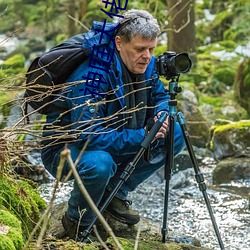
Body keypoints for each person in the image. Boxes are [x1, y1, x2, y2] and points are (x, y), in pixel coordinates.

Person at [41, 9, 185, 241]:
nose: (147, 56)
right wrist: (142, 135)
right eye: (140, 49)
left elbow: (159, 96)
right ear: (119, 42)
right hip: (67, 150)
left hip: (117, 136)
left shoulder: (146, 64)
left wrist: (161, 114)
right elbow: (87, 135)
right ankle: (76, 221)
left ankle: (115, 193)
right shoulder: (90, 76)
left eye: (151, 49)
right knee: (100, 164)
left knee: (175, 132)